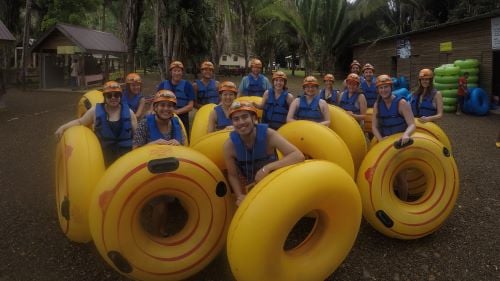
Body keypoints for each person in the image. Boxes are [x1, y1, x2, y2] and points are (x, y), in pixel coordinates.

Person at [223, 101, 305, 206]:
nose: (241, 122)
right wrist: (239, 195)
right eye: (236, 119)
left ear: (254, 118)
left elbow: (298, 155)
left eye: (245, 117)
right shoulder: (229, 146)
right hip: (249, 186)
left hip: (273, 184)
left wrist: (267, 168)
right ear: (232, 123)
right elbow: (232, 175)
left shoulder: (269, 135)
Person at [132, 89, 186, 236]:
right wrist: (153, 144)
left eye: (170, 106)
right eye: (162, 105)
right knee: (161, 204)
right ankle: (156, 232)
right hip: (149, 172)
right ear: (155, 107)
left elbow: (186, 149)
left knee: (167, 202)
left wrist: (179, 145)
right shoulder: (144, 124)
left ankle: (161, 227)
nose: (166, 109)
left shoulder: (176, 124)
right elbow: (134, 151)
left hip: (170, 171)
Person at [55, 81, 138, 167]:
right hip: (103, 156)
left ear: (120, 97)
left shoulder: (129, 113)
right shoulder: (95, 111)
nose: (113, 98)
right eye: (109, 95)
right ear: (104, 97)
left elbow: (137, 136)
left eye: (116, 95)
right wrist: (63, 127)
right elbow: (80, 122)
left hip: (125, 157)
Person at [372, 74, 416, 201]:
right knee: (383, 174)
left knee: (400, 177)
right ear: (378, 90)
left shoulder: (401, 103)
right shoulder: (377, 105)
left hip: (399, 144)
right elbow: (374, 127)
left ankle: (403, 202)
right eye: (381, 88)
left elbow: (412, 124)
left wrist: (406, 134)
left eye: (386, 87)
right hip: (384, 143)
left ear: (391, 87)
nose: (383, 90)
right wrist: (380, 140)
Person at [157, 61, 195, 138]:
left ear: (182, 73)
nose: (177, 73)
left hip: (182, 116)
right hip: (164, 115)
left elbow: (190, 106)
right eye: (174, 71)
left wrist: (176, 112)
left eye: (179, 71)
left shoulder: (187, 85)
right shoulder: (163, 84)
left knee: (183, 138)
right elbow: (156, 101)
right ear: (171, 72)